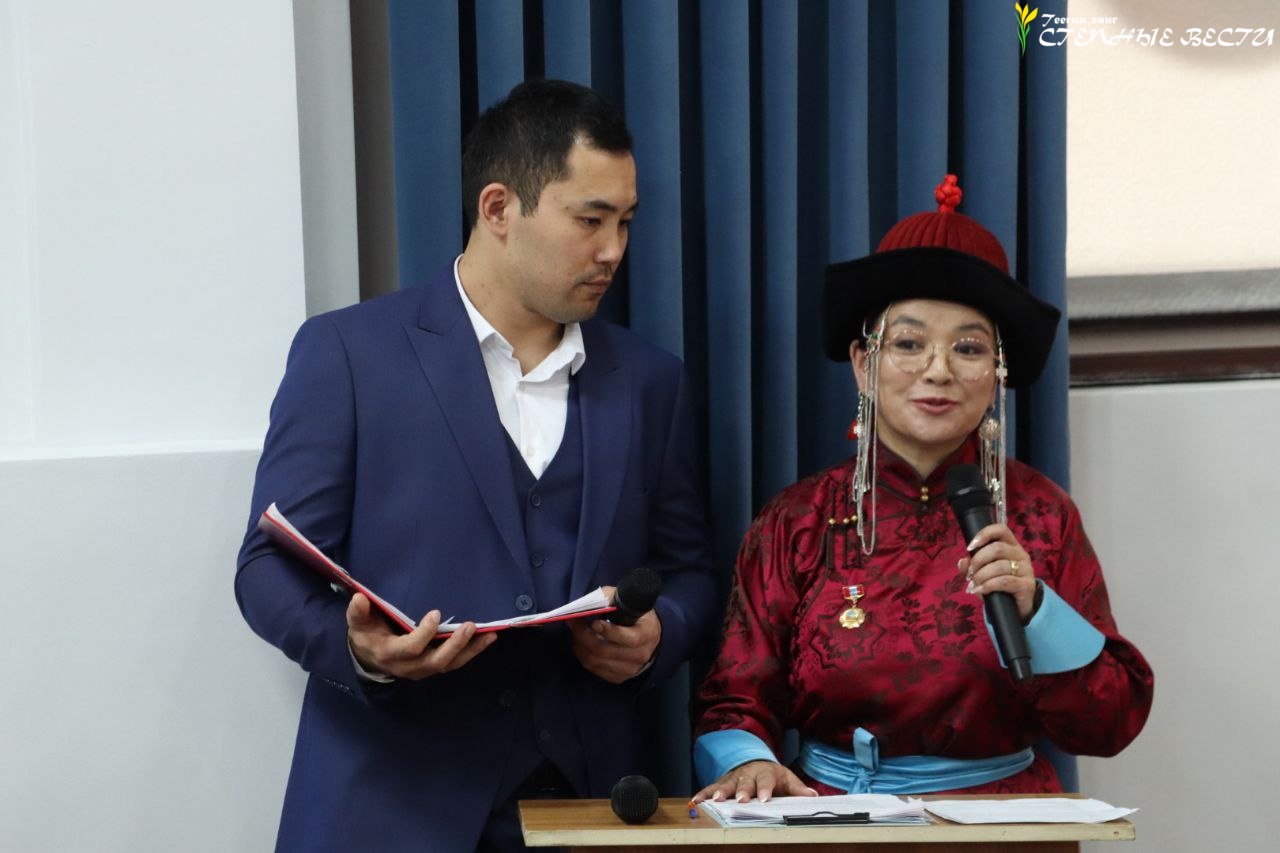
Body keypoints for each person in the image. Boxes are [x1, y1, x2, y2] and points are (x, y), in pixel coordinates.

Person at [236, 79, 718, 851]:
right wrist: (359, 650)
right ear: (498, 208)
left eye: (625, 222)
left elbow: (690, 571)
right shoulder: (348, 354)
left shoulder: (651, 381)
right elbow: (266, 566)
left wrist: (660, 635)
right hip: (390, 809)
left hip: (591, 808)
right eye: (590, 219)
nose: (613, 250)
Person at [691, 175, 1153, 803]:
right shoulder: (798, 520)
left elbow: (1111, 722)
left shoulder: (1041, 514)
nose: (938, 370)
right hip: (832, 817)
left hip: (1005, 819)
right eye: (908, 343)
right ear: (864, 364)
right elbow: (734, 697)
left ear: (997, 372)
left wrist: (1036, 609)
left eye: (968, 348)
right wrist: (749, 762)